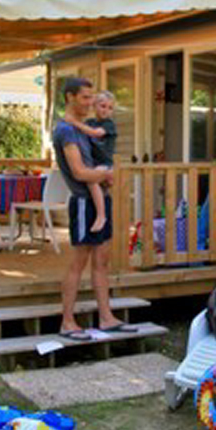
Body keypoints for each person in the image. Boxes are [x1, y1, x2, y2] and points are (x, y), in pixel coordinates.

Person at [52, 77, 134, 340]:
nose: (90, 103)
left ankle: (106, 318)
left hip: (101, 198)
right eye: (85, 97)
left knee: (102, 261)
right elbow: (79, 172)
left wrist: (104, 176)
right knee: (79, 262)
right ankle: (67, 322)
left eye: (91, 97)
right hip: (83, 202)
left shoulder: (84, 128)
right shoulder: (66, 131)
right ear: (70, 97)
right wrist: (105, 175)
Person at [62, 90, 117, 233]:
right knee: (92, 181)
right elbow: (81, 134)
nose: (106, 110)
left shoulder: (109, 124)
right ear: (94, 106)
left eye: (110, 108)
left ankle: (101, 215)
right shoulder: (89, 122)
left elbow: (96, 133)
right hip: (93, 164)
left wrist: (74, 122)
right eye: (103, 106)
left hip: (105, 163)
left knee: (91, 180)